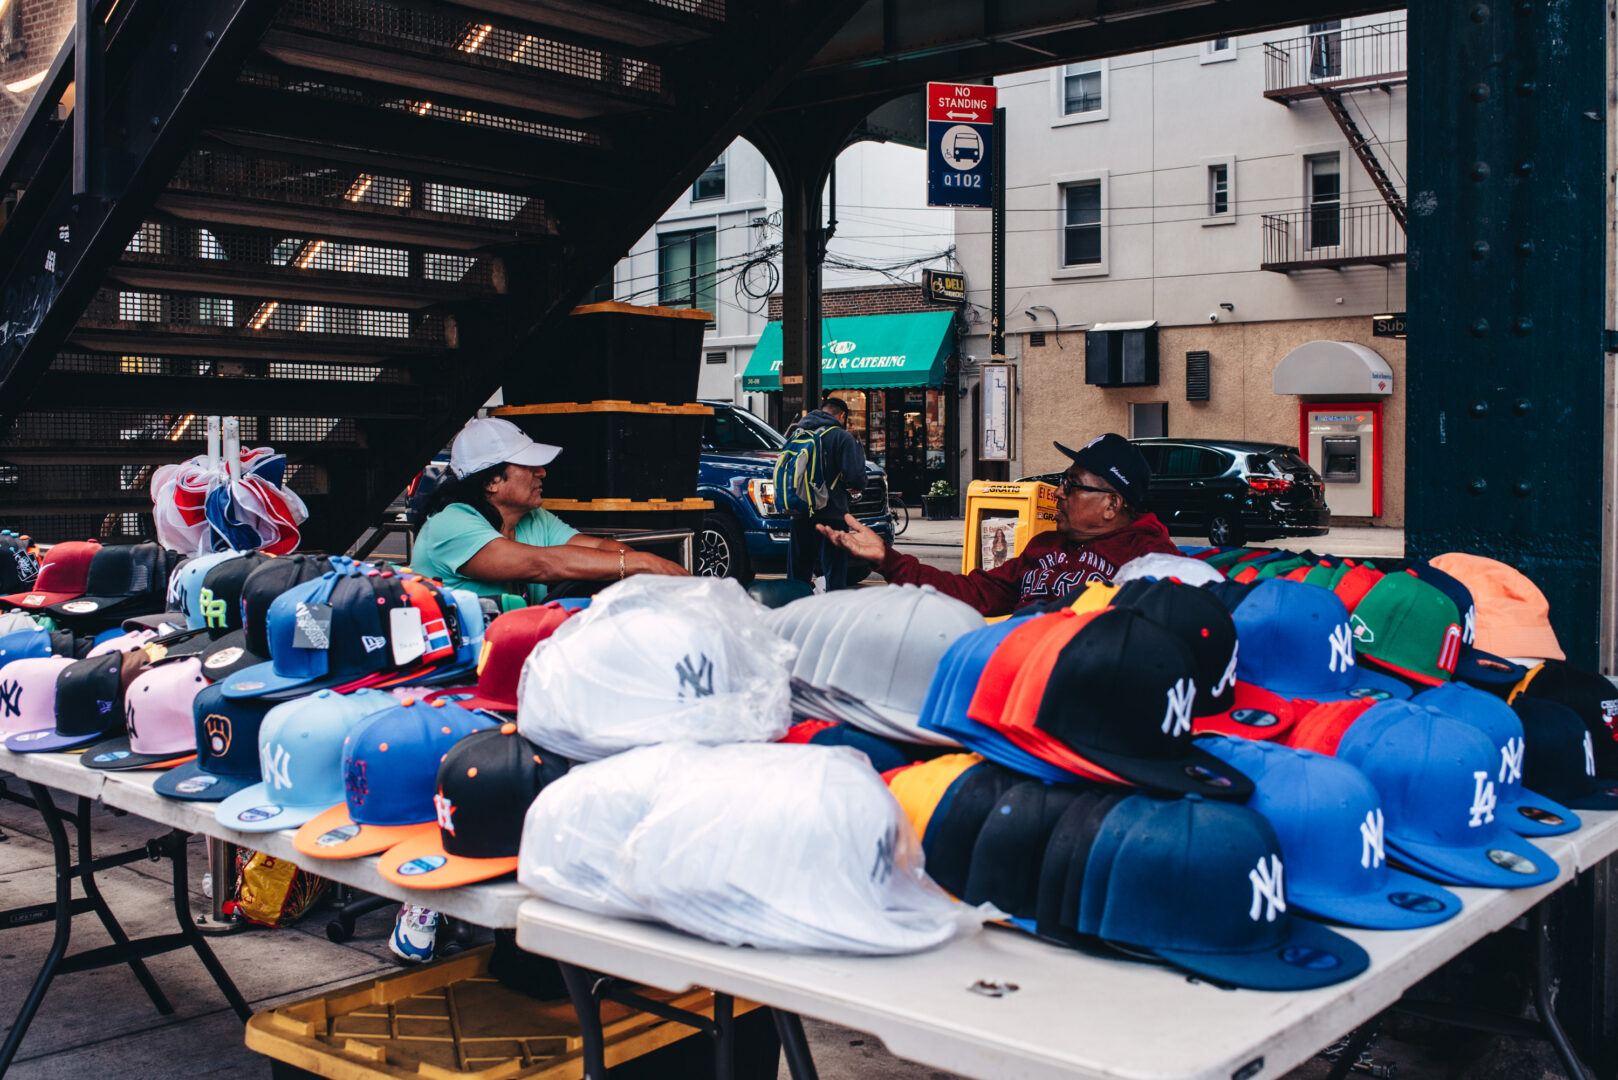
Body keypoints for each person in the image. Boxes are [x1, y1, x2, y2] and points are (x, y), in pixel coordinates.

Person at [817, 433, 1178, 616]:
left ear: (1111, 505)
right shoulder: (1045, 546)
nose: (1057, 494)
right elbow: (974, 593)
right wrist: (887, 559)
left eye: (1071, 485)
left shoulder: (1150, 558)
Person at [413, 417, 687, 607]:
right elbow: (543, 565)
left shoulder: (532, 519)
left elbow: (602, 547)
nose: (542, 472)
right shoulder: (450, 524)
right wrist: (645, 563)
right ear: (491, 481)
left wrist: (643, 566)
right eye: (529, 465)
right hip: (453, 673)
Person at [786, 397, 866, 592]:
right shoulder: (841, 436)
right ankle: (832, 614)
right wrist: (855, 485)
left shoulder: (796, 433)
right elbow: (856, 477)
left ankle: (796, 611)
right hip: (832, 513)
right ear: (842, 416)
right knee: (834, 572)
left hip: (800, 510)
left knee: (798, 572)